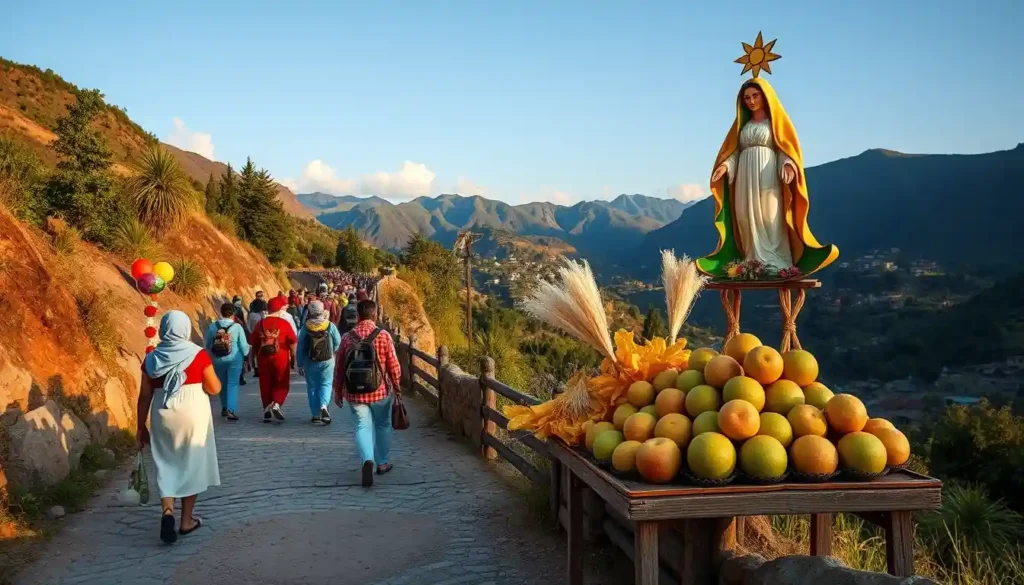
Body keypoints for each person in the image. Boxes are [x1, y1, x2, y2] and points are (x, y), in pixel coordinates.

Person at [699, 76, 838, 279]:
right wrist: (725, 165)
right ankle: (751, 261)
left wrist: (789, 163)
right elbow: (735, 151)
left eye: (755, 95)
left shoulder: (775, 124)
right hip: (744, 176)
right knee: (745, 215)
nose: (751, 101)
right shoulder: (742, 127)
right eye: (747, 97)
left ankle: (776, 261)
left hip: (768, 173)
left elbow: (784, 147)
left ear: (765, 96)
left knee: (770, 215)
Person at [136, 311, 221, 544]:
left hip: (162, 414)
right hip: (193, 413)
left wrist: (140, 426)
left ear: (164, 329)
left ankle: (167, 512)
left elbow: (144, 395)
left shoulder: (152, 358)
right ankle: (186, 521)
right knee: (191, 463)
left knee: (166, 463)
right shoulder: (198, 355)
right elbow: (214, 389)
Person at [334, 299, 401, 487]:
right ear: (375, 313)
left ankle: (367, 460)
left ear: (358, 315)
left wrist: (338, 391)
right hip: (380, 391)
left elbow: (339, 367)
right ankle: (383, 463)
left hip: (354, 393)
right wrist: (397, 387)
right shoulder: (384, 336)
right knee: (383, 425)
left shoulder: (348, 337)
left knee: (362, 427)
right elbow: (394, 366)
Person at [250, 296, 298, 422]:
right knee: (281, 381)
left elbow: (253, 342)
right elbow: (293, 340)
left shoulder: (260, 323)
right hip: (281, 355)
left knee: (265, 383)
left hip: (263, 357)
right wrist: (294, 356)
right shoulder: (284, 323)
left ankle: (266, 408)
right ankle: (277, 403)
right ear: (280, 309)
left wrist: (251, 360)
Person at [296, 300, 342, 424]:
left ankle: (316, 415)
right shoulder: (329, 325)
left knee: (312, 387)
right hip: (327, 360)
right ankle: (324, 406)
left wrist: (299, 363)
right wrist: (332, 352)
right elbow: (338, 342)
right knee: (326, 384)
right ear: (322, 311)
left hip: (309, 361)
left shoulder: (306, 327)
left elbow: (300, 346)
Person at [204, 302, 250, 421]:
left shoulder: (213, 326)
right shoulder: (237, 327)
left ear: (221, 312)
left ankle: (224, 407)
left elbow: (207, 344)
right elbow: (243, 346)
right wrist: (246, 355)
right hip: (234, 359)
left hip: (217, 358)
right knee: (233, 383)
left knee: (222, 383)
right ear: (233, 313)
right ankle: (231, 409)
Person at [246, 296, 268, 376]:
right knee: (257, 353)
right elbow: (248, 326)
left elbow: (248, 326)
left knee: (259, 353)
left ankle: (260, 368)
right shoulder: (254, 315)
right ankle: (257, 369)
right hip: (258, 336)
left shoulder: (260, 314)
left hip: (260, 336)